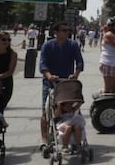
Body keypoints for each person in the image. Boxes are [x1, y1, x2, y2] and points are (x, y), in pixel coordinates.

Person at [39, 21, 84, 149]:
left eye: (67, 30)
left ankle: (74, 136)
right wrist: (49, 75)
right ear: (56, 32)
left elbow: (79, 61)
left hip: (66, 83)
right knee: (46, 111)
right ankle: (44, 139)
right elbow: (43, 64)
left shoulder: (73, 45)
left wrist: (76, 74)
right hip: (50, 82)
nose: (67, 33)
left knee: (71, 107)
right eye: (64, 30)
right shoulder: (47, 46)